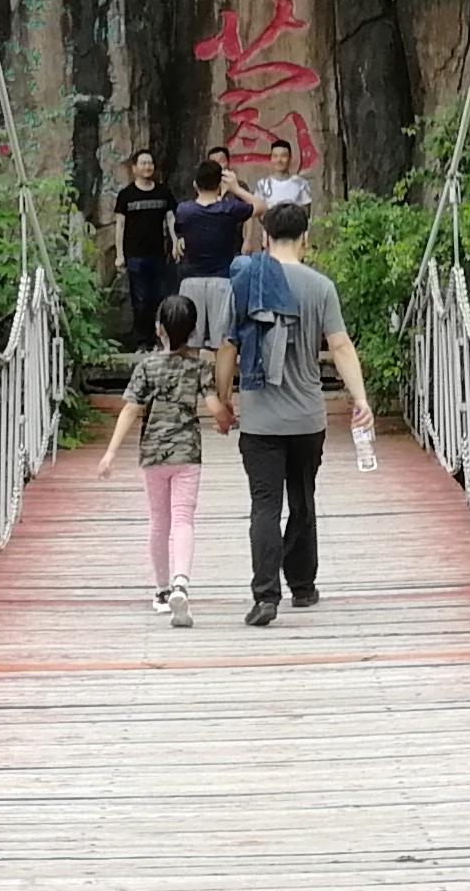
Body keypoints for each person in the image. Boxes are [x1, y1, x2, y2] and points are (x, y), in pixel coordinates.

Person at [211, 199, 372, 628]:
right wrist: (361, 399)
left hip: (261, 419)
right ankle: (302, 585)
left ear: (265, 237)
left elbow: (229, 348)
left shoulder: (247, 282)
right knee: (302, 500)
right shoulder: (320, 286)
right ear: (306, 238)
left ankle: (266, 595)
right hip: (306, 417)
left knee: (265, 505)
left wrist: (223, 401)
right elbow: (339, 346)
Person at [95, 293, 209, 626]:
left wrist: (111, 452)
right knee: (183, 519)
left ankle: (161, 590)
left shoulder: (146, 366)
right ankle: (181, 584)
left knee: (159, 520)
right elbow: (215, 405)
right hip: (187, 453)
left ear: (159, 329)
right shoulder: (198, 367)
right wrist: (225, 417)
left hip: (153, 454)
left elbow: (131, 408)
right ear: (192, 330)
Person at [170, 154, 254, 315]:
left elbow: (180, 230)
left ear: (195, 184)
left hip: (191, 280)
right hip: (222, 281)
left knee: (191, 335)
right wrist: (236, 188)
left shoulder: (184, 210)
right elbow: (260, 206)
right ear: (219, 185)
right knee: (221, 337)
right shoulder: (229, 209)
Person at [109, 151, 178, 345]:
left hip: (158, 254)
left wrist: (174, 242)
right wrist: (120, 254)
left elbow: (171, 219)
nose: (148, 167)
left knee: (158, 298)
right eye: (143, 163)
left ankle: (158, 339)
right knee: (140, 300)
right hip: (135, 255)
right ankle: (142, 341)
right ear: (134, 168)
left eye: (150, 163)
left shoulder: (163, 192)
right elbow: (120, 225)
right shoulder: (126, 195)